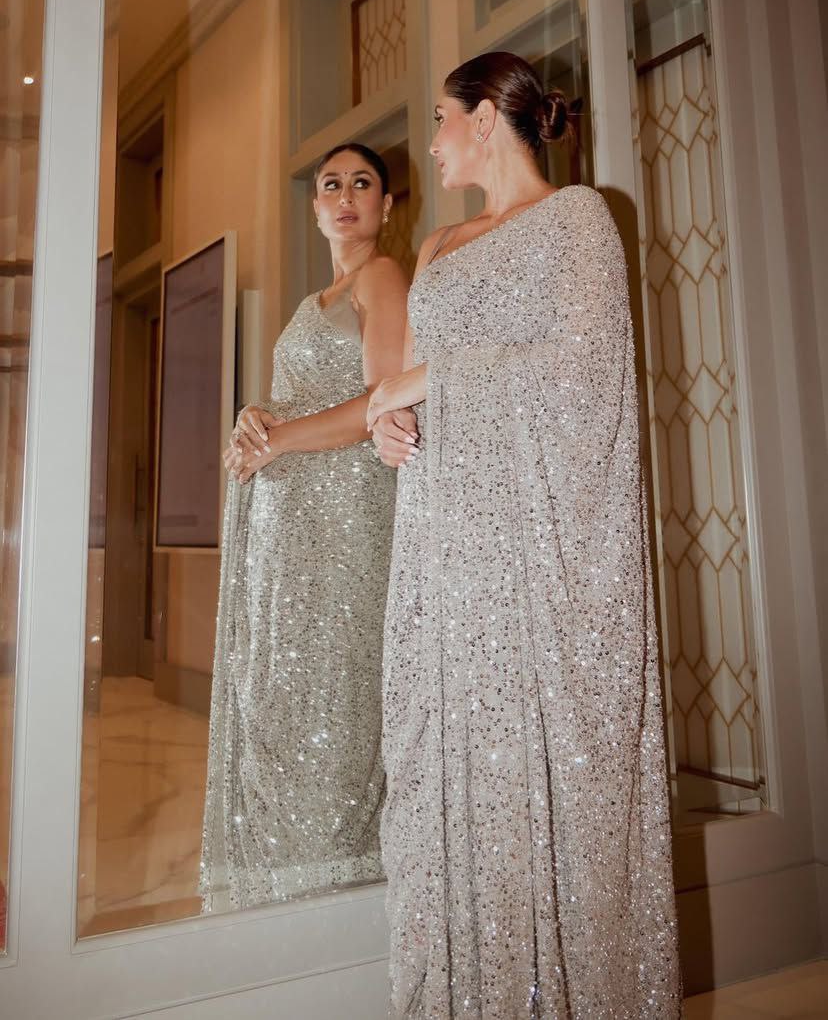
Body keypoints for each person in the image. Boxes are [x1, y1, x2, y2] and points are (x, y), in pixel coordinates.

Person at [367, 53, 682, 1017]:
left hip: (535, 556)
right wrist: (389, 422)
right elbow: (406, 379)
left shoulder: (579, 219)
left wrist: (431, 382)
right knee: (449, 778)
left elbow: (585, 369)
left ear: (484, 120)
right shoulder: (434, 245)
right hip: (443, 550)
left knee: (538, 776)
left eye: (439, 118)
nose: (430, 143)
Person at [200, 143, 410, 911]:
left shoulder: (382, 276)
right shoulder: (307, 304)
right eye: (331, 185)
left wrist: (280, 437)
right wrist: (257, 417)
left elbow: (383, 398)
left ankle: (340, 888)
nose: (346, 196)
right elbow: (298, 399)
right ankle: (283, 883)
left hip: (347, 524)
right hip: (288, 533)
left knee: (336, 694)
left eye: (363, 183)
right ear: (316, 207)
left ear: (387, 205)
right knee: (281, 694)